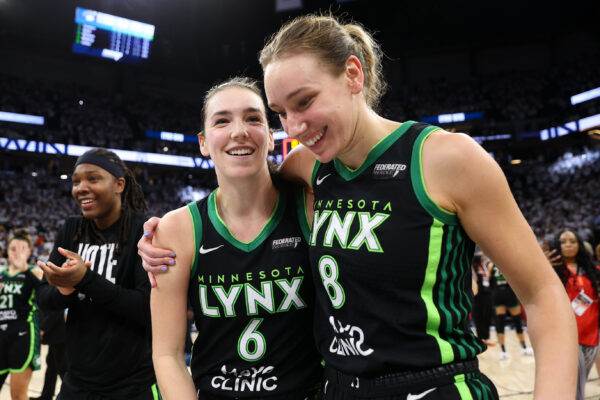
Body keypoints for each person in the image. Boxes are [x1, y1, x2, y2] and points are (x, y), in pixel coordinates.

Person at [139, 13, 577, 399]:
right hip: (339, 388)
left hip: (433, 383)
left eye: (305, 101)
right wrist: (164, 235)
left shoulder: (446, 159)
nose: (296, 126)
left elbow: (542, 294)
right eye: (281, 112)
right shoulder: (306, 165)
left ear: (353, 75)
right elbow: (244, 195)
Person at [149, 77, 322, 399]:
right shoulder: (177, 229)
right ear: (203, 142)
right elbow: (168, 354)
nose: (239, 131)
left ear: (271, 138)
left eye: (253, 118)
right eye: (222, 120)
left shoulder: (309, 205)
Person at [36, 148, 159, 399]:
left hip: (132, 385)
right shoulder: (71, 228)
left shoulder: (142, 230)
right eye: (76, 181)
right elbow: (44, 298)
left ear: (119, 184)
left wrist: (86, 280)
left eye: (93, 179)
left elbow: (148, 308)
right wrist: (65, 290)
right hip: (77, 381)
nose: (80, 188)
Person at [547, 230, 600, 400]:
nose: (568, 245)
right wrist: (544, 267)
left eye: (572, 241)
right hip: (568, 336)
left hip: (592, 336)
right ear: (556, 245)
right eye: (563, 241)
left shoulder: (594, 271)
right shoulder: (550, 271)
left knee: (580, 383)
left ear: (580, 245)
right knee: (575, 387)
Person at [0, 229, 43, 400]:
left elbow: (46, 293)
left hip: (23, 335)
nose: (17, 253)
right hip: (1, 335)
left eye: (22, 249)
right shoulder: (1, 276)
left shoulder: (35, 272)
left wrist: (24, 268)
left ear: (29, 252)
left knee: (17, 395)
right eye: (13, 249)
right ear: (7, 251)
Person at [488, 262, 533, 359]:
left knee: (500, 323)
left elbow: (490, 280)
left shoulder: (491, 265)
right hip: (509, 293)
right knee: (517, 321)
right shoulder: (507, 262)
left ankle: (503, 351)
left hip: (497, 294)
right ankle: (524, 347)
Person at [30, 308, 66, 400]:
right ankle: (46, 395)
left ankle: (72, 395)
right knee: (51, 366)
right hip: (54, 335)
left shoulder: (54, 296)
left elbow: (56, 311)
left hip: (59, 336)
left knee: (62, 368)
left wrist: (43, 328)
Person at [471, 253, 494, 347]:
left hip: (488, 292)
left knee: (488, 314)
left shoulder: (484, 266)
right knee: (479, 315)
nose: (483, 258)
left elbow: (489, 277)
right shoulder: (473, 267)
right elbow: (475, 279)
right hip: (479, 294)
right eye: (481, 257)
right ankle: (480, 338)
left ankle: (486, 337)